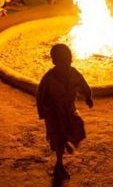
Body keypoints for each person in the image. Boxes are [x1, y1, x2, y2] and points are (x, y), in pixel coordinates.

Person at [36, 44, 93, 177]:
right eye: (63, 61)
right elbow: (41, 96)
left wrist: (88, 97)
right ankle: (59, 163)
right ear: (55, 62)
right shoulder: (49, 78)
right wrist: (45, 113)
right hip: (55, 114)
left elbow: (83, 84)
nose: (66, 64)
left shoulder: (73, 73)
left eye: (68, 60)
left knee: (76, 126)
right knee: (59, 137)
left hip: (69, 109)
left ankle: (65, 141)